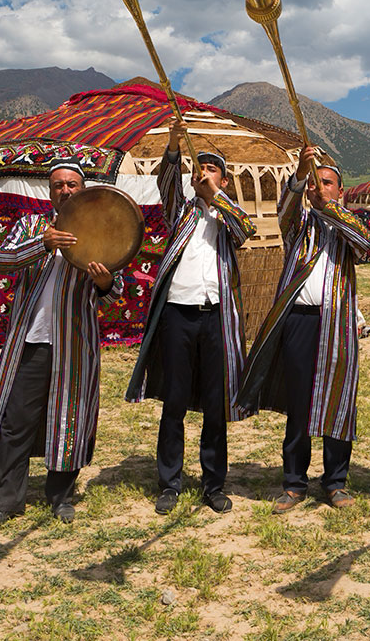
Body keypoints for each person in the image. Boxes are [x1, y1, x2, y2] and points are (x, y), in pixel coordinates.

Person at [0, 162, 122, 531]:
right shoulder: (31, 225)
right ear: (50, 192)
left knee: (69, 418)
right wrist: (43, 243)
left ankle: (61, 498)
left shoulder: (99, 228)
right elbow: (2, 261)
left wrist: (104, 281)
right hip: (30, 340)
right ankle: (6, 501)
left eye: (72, 184)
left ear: (83, 189)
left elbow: (115, 288)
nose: (65, 190)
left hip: (74, 342)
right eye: (58, 185)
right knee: (16, 421)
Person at [126, 117, 256, 516]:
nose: (204, 173)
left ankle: (213, 485)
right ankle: (170, 483)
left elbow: (246, 229)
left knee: (216, 405)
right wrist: (173, 143)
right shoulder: (180, 211)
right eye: (200, 167)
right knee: (175, 401)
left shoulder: (228, 215)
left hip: (216, 316)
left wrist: (217, 197)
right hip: (178, 315)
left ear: (224, 180)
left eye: (212, 168)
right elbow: (167, 182)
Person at [237, 147, 370, 513]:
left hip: (337, 322)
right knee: (299, 400)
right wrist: (300, 175)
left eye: (325, 182)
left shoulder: (349, 222)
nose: (318, 187)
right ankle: (294, 482)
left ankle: (335, 482)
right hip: (299, 320)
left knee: (338, 399)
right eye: (314, 183)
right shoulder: (300, 222)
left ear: (340, 190)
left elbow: (367, 245)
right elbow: (282, 215)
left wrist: (332, 209)